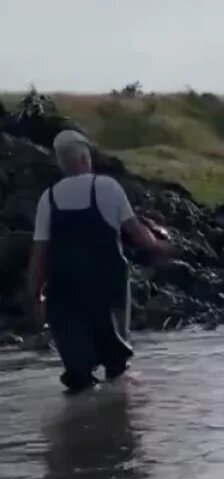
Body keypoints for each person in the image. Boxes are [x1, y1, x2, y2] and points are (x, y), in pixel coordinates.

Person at [26, 130, 171, 394]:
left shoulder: (48, 199)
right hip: (107, 291)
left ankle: (74, 425)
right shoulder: (107, 188)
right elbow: (139, 235)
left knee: (78, 376)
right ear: (85, 157)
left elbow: (39, 255)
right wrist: (164, 246)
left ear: (61, 163)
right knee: (117, 368)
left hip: (65, 294)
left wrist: (36, 297)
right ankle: (114, 420)